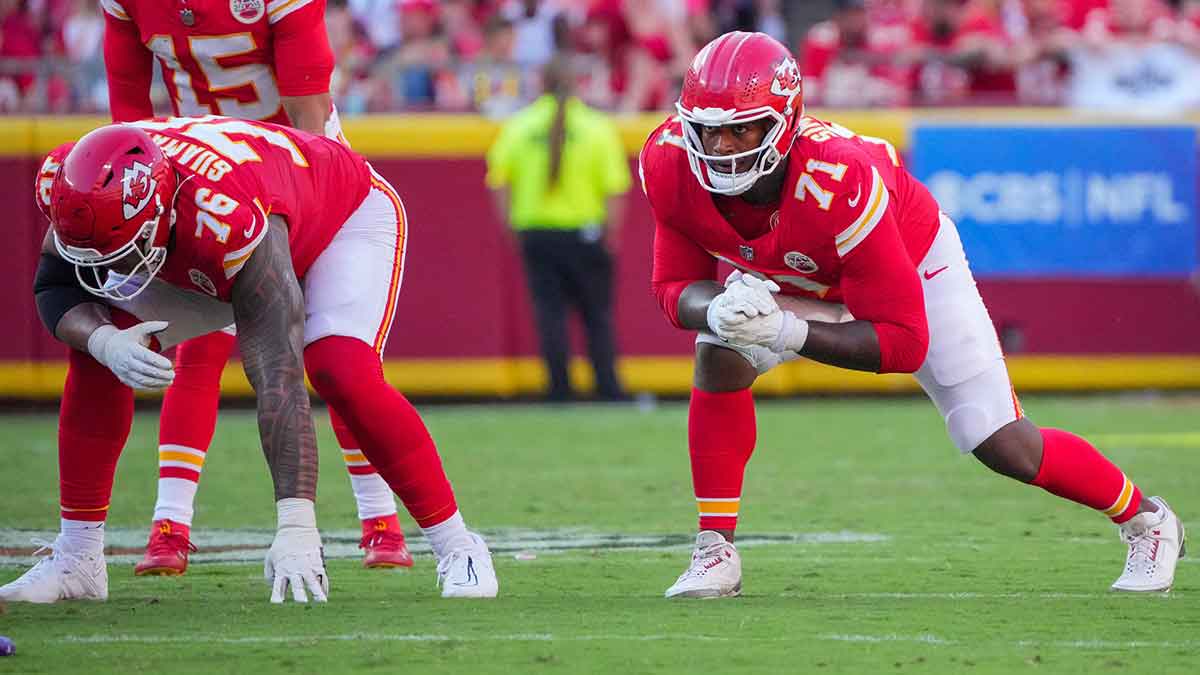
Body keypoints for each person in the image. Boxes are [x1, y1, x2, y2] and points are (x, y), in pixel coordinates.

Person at [640, 31, 1186, 599]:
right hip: (799, 278)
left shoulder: (839, 179)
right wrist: (719, 307)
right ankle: (715, 549)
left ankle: (1148, 521)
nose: (721, 146)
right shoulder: (670, 160)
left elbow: (903, 343)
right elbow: (674, 285)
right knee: (720, 350)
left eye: (741, 128)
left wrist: (782, 329)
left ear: (785, 122)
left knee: (999, 440)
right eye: (708, 128)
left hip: (911, 264)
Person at [0, 116, 498, 604]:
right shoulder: (69, 182)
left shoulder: (223, 214)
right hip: (212, 232)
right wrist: (104, 339)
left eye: (123, 250)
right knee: (97, 349)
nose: (113, 268)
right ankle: (78, 558)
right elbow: (55, 283)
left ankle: (459, 545)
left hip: (340, 216)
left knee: (338, 367)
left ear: (158, 212)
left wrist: (296, 524)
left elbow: (277, 370)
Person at [100, 0, 413, 574]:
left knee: (337, 352)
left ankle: (379, 518)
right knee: (200, 348)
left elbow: (309, 113)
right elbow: (127, 112)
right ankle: (170, 524)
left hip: (295, 164)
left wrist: (294, 204)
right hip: (193, 165)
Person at [486, 55, 631, 402]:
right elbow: (615, 188)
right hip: (585, 232)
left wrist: (512, 228)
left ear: (542, 83)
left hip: (536, 233)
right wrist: (611, 234)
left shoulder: (519, 126)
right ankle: (608, 388)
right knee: (597, 315)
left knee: (550, 315)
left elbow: (499, 182)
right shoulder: (597, 127)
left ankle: (559, 390)